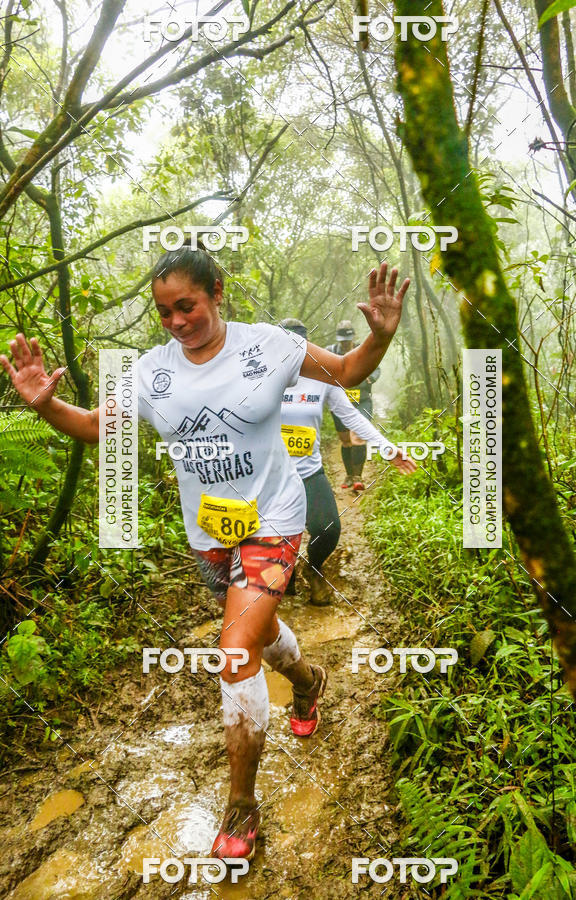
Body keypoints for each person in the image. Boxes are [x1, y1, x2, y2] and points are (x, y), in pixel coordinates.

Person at [0, 249, 410, 863]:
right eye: (164, 312)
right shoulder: (150, 371)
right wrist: (44, 404)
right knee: (258, 631)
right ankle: (307, 680)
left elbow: (348, 372)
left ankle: (241, 805)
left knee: (236, 650)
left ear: (216, 292)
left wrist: (380, 336)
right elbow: (95, 426)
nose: (176, 322)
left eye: (186, 306)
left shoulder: (268, 345)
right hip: (210, 534)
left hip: (274, 518)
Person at [280, 318, 417, 606]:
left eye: (298, 346)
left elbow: (351, 416)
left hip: (308, 472)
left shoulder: (321, 376)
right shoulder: (258, 376)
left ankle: (314, 569)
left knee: (328, 530)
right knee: (277, 534)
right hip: (269, 476)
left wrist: (387, 448)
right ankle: (283, 574)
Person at [326, 320, 380, 491]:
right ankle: (349, 475)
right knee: (346, 440)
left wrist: (370, 378)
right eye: (342, 341)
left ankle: (358, 477)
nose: (345, 344)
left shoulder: (363, 349)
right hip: (340, 402)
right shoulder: (330, 351)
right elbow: (321, 368)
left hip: (361, 400)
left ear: (353, 337)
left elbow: (376, 367)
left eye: (347, 340)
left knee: (358, 436)